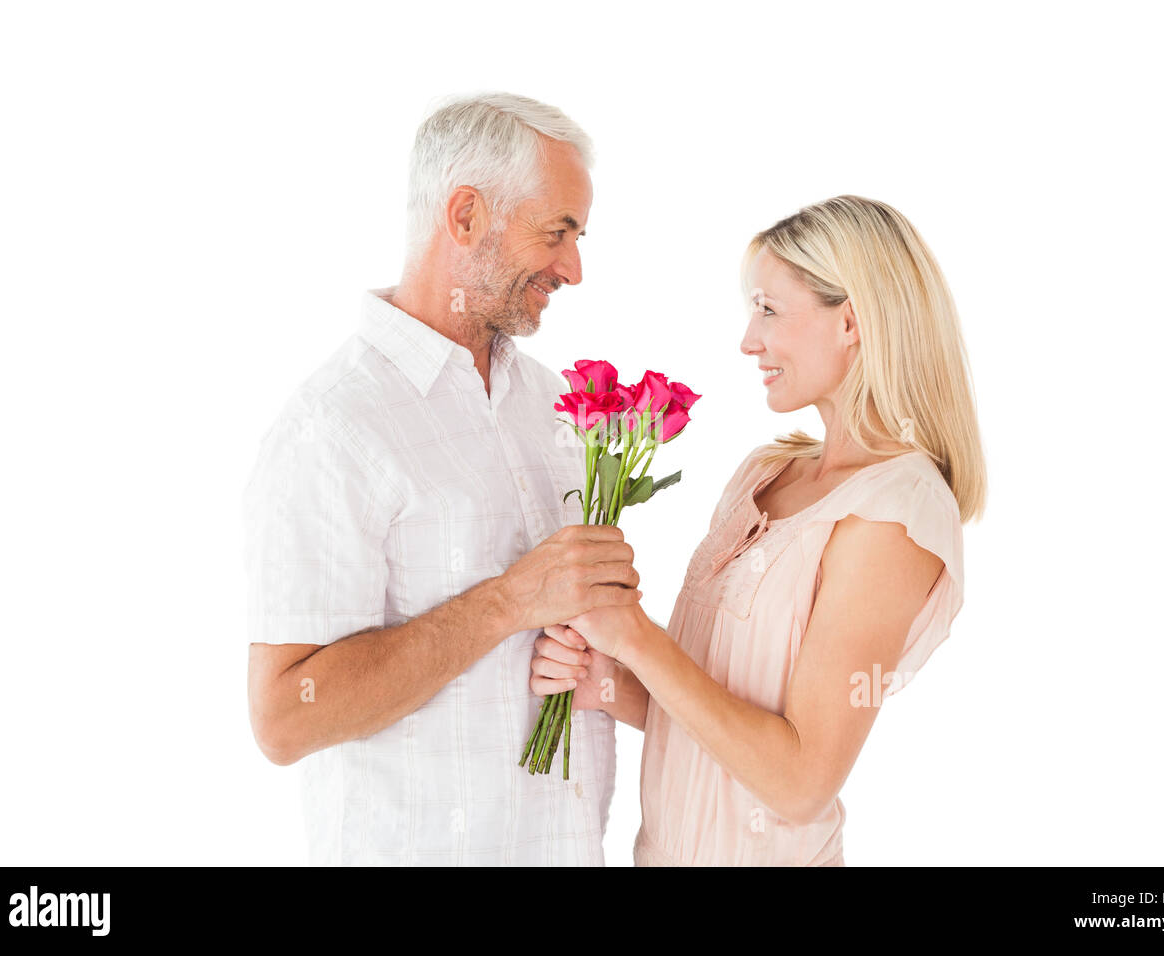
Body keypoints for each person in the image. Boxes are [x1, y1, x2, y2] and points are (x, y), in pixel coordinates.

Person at [242, 92, 642, 866]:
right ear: (465, 217)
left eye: (578, 237)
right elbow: (285, 717)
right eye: (556, 232)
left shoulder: (555, 406)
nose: (574, 268)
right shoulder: (335, 427)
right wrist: (510, 600)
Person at [530, 195, 987, 865]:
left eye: (769, 310)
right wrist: (609, 682)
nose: (749, 339)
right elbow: (722, 719)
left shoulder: (895, 512)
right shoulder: (764, 473)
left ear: (852, 321)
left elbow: (801, 783)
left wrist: (636, 637)